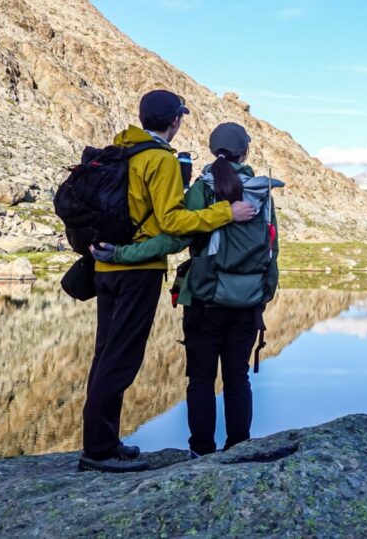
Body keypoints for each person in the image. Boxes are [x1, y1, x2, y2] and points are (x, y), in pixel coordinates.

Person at [78, 91, 258, 474]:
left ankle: (105, 441)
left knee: (106, 355)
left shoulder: (124, 149)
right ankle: (98, 449)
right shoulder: (158, 160)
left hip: (106, 270)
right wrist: (225, 211)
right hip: (136, 273)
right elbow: (172, 224)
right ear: (174, 121)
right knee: (121, 359)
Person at [103, 122, 281, 457]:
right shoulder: (261, 192)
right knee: (237, 378)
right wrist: (262, 296)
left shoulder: (203, 189)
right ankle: (238, 447)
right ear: (247, 151)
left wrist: (120, 253)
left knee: (200, 380)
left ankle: (201, 450)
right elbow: (272, 252)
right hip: (247, 304)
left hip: (204, 301)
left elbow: (174, 238)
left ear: (215, 150)